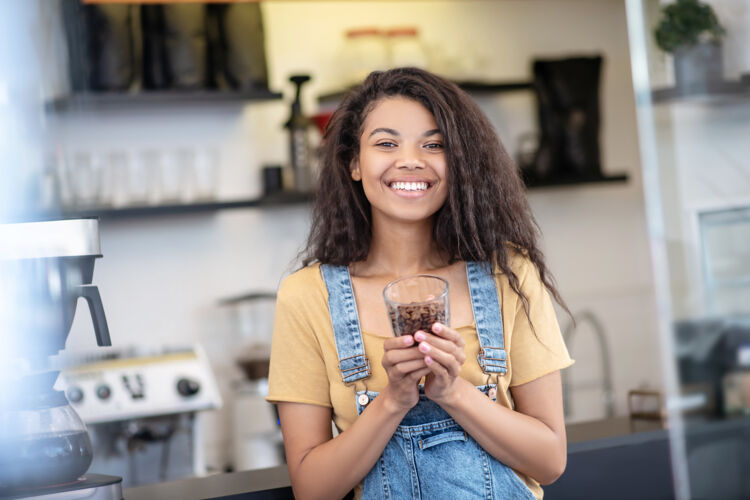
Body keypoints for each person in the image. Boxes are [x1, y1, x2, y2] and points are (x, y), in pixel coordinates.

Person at [267, 67, 574, 500]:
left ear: (459, 163)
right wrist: (393, 399)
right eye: (386, 143)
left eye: (434, 145)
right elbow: (312, 489)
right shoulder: (305, 296)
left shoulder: (510, 275)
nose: (410, 160)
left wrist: (453, 392)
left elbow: (550, 460)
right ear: (354, 163)